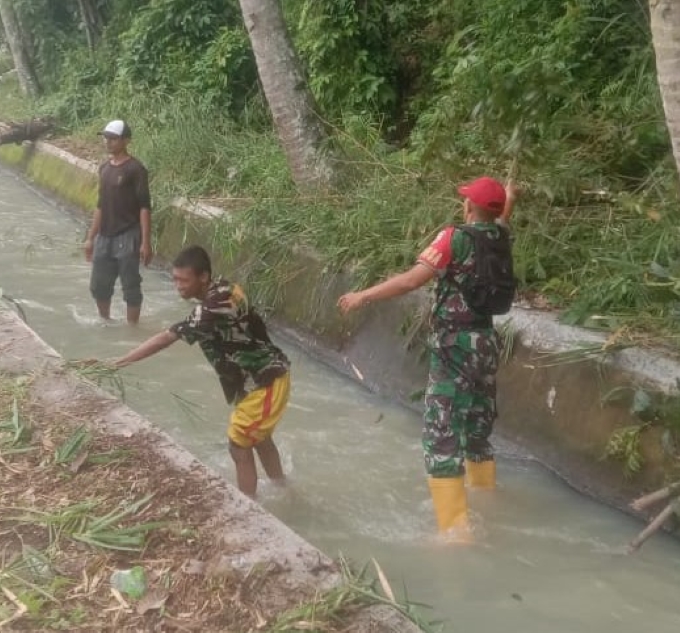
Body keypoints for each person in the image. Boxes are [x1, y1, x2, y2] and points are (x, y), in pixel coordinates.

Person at [338, 176, 516, 541]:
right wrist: (508, 199)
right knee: (476, 430)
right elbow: (500, 219)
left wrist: (362, 296)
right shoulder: (500, 238)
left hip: (454, 347)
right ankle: (486, 501)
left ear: (468, 207)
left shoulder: (454, 238)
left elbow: (410, 281)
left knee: (441, 436)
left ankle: (455, 533)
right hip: (485, 344)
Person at [100, 246, 291, 498]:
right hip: (255, 381)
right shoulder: (223, 288)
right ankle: (282, 488)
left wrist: (117, 362)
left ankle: (249, 506)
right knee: (258, 437)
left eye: (184, 280)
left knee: (238, 442)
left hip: (266, 380)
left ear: (203, 277)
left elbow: (166, 338)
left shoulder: (213, 307)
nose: (178, 286)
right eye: (175, 279)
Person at [83, 120, 153, 324]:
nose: (108, 142)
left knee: (130, 285)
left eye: (113, 138)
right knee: (98, 285)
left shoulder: (136, 169)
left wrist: (145, 242)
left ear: (126, 140)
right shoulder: (104, 168)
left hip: (127, 234)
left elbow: (144, 206)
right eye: (106, 138)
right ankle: (106, 320)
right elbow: (100, 205)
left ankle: (133, 327)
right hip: (105, 235)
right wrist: (90, 238)